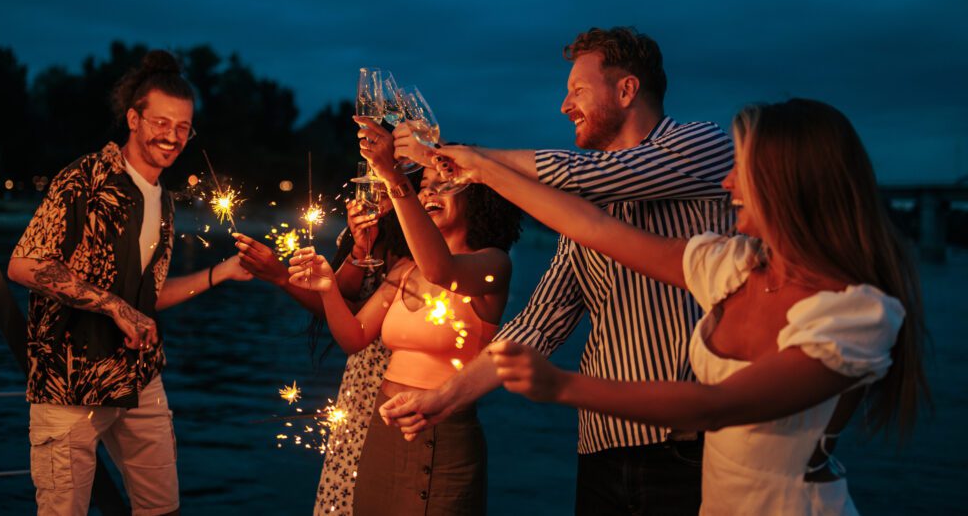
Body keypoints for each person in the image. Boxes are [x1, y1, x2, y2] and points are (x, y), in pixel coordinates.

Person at [440, 98, 930, 515]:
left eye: (741, 168)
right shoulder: (734, 266)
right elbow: (594, 228)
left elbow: (717, 406)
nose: (727, 183)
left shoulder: (855, 315)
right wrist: (482, 169)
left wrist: (562, 385)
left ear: (787, 182)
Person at [382, 27, 734, 514]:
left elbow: (589, 174)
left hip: (694, 445)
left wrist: (470, 161)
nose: (564, 106)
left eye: (578, 91)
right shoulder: (575, 211)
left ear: (627, 90)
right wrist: (445, 396)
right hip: (602, 445)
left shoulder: (701, 145)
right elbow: (539, 323)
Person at [7, 51, 252, 516]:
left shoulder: (163, 199)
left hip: (140, 378)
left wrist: (223, 272)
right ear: (134, 119)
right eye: (161, 122)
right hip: (69, 383)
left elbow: (148, 298)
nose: (173, 136)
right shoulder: (84, 179)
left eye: (183, 127)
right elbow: (25, 264)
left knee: (161, 508)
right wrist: (114, 307)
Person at [287, 121, 522, 515]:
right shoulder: (404, 271)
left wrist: (394, 176)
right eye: (425, 182)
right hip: (382, 436)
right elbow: (355, 337)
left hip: (441, 437)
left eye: (446, 181)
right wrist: (328, 288)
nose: (430, 190)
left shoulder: (492, 266)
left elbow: (441, 270)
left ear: (479, 195)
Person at [233, 194, 414, 516]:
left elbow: (356, 314)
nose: (372, 189)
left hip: (395, 377)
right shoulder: (363, 233)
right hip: (360, 376)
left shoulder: (417, 242)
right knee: (346, 490)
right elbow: (340, 302)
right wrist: (359, 248)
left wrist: (280, 276)